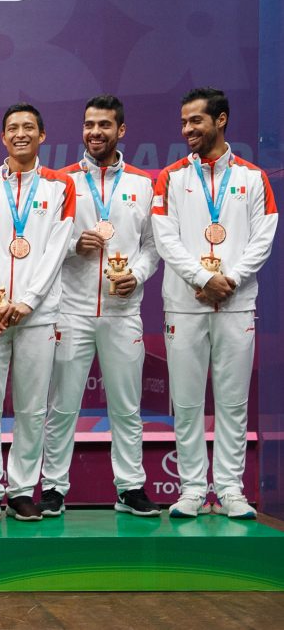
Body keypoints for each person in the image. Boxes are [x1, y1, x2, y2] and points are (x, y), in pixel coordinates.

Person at [152, 87, 277, 520]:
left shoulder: (253, 177)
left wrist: (232, 279)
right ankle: (190, 488)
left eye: (196, 121)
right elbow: (165, 238)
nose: (187, 129)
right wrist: (204, 277)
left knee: (232, 400)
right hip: (184, 303)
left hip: (237, 303)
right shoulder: (169, 177)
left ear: (220, 120)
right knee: (186, 401)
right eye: (184, 121)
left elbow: (264, 236)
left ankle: (229, 489)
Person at [42, 95, 161, 518]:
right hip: (70, 310)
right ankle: (53, 488)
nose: (95, 132)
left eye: (105, 125)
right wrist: (75, 246)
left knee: (127, 407)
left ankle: (130, 488)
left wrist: (139, 274)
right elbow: (45, 245)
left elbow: (152, 247)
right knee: (62, 405)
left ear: (121, 131)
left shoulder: (144, 184)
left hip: (122, 310)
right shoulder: (62, 182)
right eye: (89, 124)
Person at [0, 103, 74, 522]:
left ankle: (24, 489)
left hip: (36, 315)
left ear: (42, 135)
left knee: (31, 407)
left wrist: (27, 301)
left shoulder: (61, 187)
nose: (20, 133)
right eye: (12, 128)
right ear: (3, 138)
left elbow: (56, 249)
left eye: (28, 127)